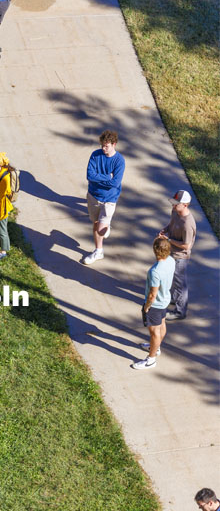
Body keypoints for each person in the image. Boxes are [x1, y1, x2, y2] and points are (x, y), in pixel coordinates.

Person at [83, 130, 125, 265]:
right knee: (95, 223)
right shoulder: (95, 155)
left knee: (100, 228)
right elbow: (90, 175)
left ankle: (101, 240)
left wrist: (99, 178)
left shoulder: (119, 161)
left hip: (109, 199)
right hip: (93, 195)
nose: (103, 148)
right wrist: (107, 177)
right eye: (102, 145)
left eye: (106, 146)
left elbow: (115, 183)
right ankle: (99, 247)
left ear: (114, 144)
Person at [133, 237, 174, 370]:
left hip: (155, 305)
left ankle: (151, 360)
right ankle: (155, 347)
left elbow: (152, 294)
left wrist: (146, 307)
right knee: (162, 324)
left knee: (154, 332)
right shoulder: (171, 261)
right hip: (165, 300)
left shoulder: (155, 271)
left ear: (155, 250)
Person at [158, 190, 196, 321]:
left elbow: (187, 246)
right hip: (171, 251)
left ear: (185, 205)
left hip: (180, 256)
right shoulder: (175, 211)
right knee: (173, 278)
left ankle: (180, 312)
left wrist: (168, 240)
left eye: (176, 204)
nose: (173, 206)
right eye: (173, 203)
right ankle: (174, 299)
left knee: (180, 284)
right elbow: (171, 223)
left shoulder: (188, 224)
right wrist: (165, 230)